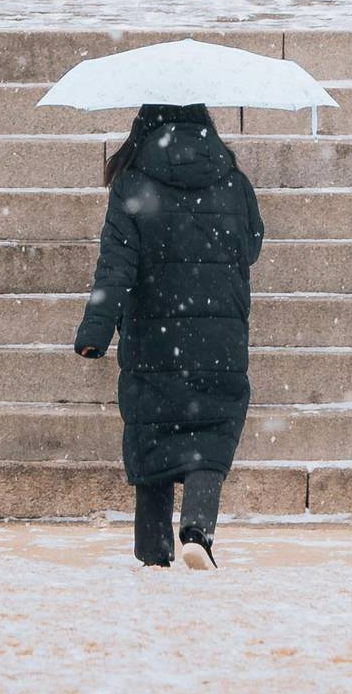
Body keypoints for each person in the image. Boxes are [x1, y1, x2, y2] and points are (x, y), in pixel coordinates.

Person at [74, 100, 264, 569]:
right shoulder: (233, 183)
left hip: (154, 331)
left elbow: (114, 268)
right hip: (219, 334)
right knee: (211, 433)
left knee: (152, 434)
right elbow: (253, 245)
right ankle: (198, 529)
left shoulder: (133, 185)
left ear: (144, 126)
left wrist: (96, 329)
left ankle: (153, 553)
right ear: (206, 126)